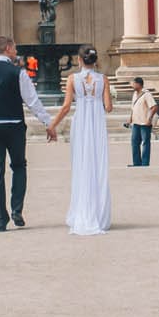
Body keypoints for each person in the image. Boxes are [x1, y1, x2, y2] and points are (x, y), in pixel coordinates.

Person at [0, 35, 56, 231]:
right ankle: (16, 209)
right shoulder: (18, 72)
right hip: (14, 126)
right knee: (19, 166)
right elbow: (32, 101)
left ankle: (0, 219)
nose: (16, 51)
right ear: (7, 48)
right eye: (14, 48)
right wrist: (48, 123)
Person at [48, 45, 111, 236]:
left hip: (81, 122)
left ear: (79, 60)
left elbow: (66, 106)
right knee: (98, 164)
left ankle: (82, 212)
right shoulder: (104, 79)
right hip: (97, 124)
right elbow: (108, 107)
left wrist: (52, 125)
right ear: (95, 61)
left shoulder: (72, 79)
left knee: (82, 165)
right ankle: (99, 215)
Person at [126, 76, 156, 167]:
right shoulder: (134, 94)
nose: (132, 85)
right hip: (136, 123)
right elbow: (133, 108)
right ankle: (137, 163)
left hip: (144, 123)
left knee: (145, 143)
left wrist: (149, 119)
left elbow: (154, 107)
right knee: (134, 143)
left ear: (139, 84)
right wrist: (130, 119)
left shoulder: (147, 94)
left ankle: (145, 163)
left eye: (134, 83)